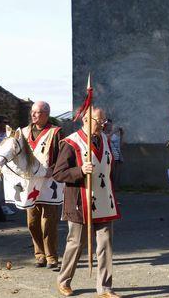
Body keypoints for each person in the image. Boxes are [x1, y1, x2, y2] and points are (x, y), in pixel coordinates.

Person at [53, 107, 121, 298]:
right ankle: (63, 281)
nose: (102, 125)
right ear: (85, 119)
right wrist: (80, 170)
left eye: (104, 121)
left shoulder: (106, 140)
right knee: (76, 243)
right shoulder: (70, 143)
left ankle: (105, 287)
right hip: (79, 202)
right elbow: (58, 173)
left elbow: (109, 169)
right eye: (99, 121)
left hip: (104, 201)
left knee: (105, 244)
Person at [22, 102, 64, 268]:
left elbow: (63, 155)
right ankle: (39, 254)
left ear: (46, 114)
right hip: (30, 182)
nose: (34, 115)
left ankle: (51, 256)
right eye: (32, 112)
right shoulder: (24, 132)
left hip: (49, 181)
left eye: (38, 112)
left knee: (48, 220)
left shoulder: (56, 132)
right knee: (32, 221)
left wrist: (54, 169)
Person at [105, 119, 124, 189]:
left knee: (116, 174)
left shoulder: (115, 136)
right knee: (110, 174)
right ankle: (110, 188)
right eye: (108, 125)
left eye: (111, 125)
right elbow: (107, 139)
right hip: (109, 158)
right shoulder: (103, 135)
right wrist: (113, 132)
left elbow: (121, 145)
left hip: (117, 157)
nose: (109, 127)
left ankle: (115, 188)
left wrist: (122, 135)